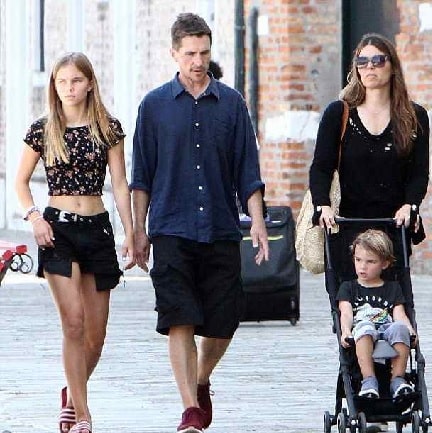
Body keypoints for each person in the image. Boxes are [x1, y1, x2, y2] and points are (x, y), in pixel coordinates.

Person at [130, 12, 269, 433]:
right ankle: (189, 407)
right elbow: (142, 176)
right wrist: (138, 230)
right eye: (189, 53)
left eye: (204, 53)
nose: (198, 61)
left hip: (221, 227)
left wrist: (258, 222)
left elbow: (249, 170)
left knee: (224, 321)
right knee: (179, 316)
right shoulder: (153, 107)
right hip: (170, 226)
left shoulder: (231, 104)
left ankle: (201, 379)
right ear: (174, 53)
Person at [15, 52, 134, 433]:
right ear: (55, 85)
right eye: (61, 81)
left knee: (96, 338)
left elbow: (119, 184)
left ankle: (72, 391)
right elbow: (18, 181)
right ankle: (82, 416)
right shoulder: (43, 129)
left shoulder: (107, 128)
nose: (68, 88)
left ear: (89, 84)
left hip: (97, 230)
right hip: (57, 230)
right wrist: (33, 217)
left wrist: (130, 232)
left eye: (75, 81)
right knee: (74, 324)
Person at [309, 32, 429, 282]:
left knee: (395, 301)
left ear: (393, 66)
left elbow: (419, 172)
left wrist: (411, 205)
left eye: (378, 60)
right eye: (362, 62)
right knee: (345, 303)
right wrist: (323, 205)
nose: (369, 67)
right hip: (346, 224)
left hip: (393, 225)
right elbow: (321, 166)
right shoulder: (338, 113)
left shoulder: (414, 116)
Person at [337, 229, 416, 399]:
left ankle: (398, 379)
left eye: (370, 262)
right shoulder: (348, 287)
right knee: (364, 327)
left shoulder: (392, 287)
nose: (362, 266)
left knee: (400, 328)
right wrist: (345, 331)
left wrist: (410, 330)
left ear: (384, 264)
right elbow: (346, 312)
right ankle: (369, 380)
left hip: (386, 328)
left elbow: (399, 313)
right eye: (358, 260)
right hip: (363, 330)